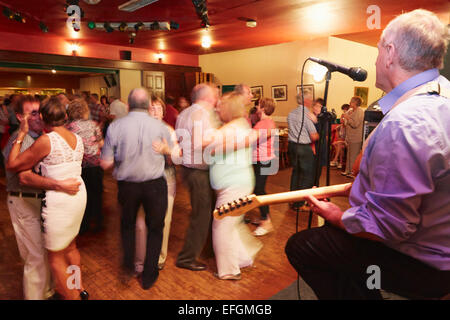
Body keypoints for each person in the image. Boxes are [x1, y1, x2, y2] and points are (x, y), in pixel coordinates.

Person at [285, 9, 450, 300]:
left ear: (390, 53)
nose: (374, 61)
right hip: (441, 246)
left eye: (376, 51)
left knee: (304, 245)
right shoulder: (440, 96)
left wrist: (337, 215)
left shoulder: (405, 122)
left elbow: (385, 228)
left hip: (425, 264)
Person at [6, 97, 88, 300]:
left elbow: (14, 166)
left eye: (37, 113)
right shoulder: (76, 138)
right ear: (66, 116)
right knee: (71, 247)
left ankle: (73, 297)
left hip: (60, 201)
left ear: (43, 117)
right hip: (77, 195)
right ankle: (77, 288)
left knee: (55, 257)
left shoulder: (45, 140)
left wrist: (21, 134)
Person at [100, 88, 172, 290]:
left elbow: (105, 163)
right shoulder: (159, 126)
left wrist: (122, 159)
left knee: (128, 225)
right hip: (155, 185)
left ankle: (129, 265)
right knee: (155, 229)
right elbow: (175, 155)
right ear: (149, 106)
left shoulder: (115, 126)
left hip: (127, 186)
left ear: (128, 105)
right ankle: (149, 275)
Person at [209, 92, 262, 280]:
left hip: (234, 184)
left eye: (220, 105)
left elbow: (207, 147)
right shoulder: (240, 125)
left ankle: (230, 270)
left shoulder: (230, 129)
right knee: (231, 223)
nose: (217, 108)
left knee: (221, 225)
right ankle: (243, 258)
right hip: (239, 182)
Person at [175, 83, 220, 271]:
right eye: (215, 95)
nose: (217, 98)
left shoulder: (184, 113)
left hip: (189, 169)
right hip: (198, 170)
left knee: (206, 212)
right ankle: (186, 258)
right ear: (207, 97)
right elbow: (200, 142)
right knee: (200, 216)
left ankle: (208, 249)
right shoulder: (201, 114)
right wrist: (223, 137)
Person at [135, 96, 181, 273]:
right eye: (151, 108)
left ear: (163, 112)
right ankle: (140, 261)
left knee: (163, 220)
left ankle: (159, 257)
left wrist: (166, 150)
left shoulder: (169, 131)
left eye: (158, 108)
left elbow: (178, 157)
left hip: (165, 181)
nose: (155, 112)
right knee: (140, 223)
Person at [66, 99, 104, 233]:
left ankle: (84, 224)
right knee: (97, 194)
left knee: (82, 195)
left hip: (79, 166)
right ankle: (98, 221)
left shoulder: (69, 127)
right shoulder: (93, 124)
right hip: (95, 164)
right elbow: (101, 143)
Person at [287, 92, 319, 210]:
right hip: (304, 148)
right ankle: (299, 204)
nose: (311, 102)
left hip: (292, 146)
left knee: (296, 173)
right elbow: (314, 136)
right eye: (310, 100)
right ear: (307, 101)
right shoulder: (307, 115)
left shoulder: (291, 114)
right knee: (307, 176)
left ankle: (292, 200)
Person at [252, 97, 277, 236]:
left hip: (263, 160)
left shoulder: (265, 123)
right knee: (258, 189)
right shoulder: (264, 122)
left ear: (263, 107)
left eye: (259, 105)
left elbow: (251, 139)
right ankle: (263, 217)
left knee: (259, 190)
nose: (256, 106)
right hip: (261, 159)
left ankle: (266, 222)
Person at [340, 96, 364, 178]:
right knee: (349, 155)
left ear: (355, 103)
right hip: (350, 137)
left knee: (354, 156)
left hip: (356, 137)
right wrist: (344, 119)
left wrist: (348, 118)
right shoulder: (351, 111)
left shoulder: (360, 111)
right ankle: (348, 171)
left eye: (351, 101)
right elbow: (348, 123)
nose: (350, 103)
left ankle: (353, 173)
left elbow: (355, 124)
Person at [330, 103, 350, 169]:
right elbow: (339, 138)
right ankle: (340, 163)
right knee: (338, 145)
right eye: (343, 111)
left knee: (338, 144)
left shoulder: (347, 126)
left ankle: (336, 160)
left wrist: (344, 124)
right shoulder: (340, 127)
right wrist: (337, 131)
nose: (341, 118)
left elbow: (345, 137)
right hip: (342, 142)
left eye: (345, 111)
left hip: (348, 141)